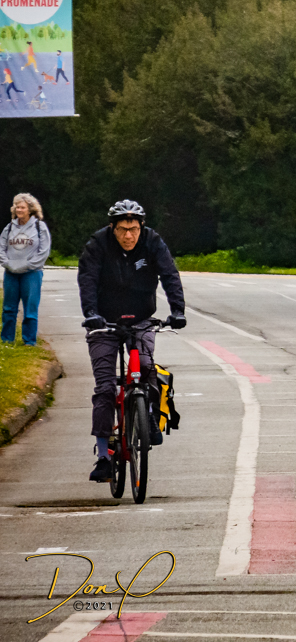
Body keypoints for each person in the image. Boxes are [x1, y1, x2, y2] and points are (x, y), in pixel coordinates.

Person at [78, 200, 185, 482]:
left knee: (146, 367)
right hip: (105, 322)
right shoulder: (97, 245)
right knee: (104, 388)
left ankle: (148, 414)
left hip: (141, 318)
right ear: (112, 228)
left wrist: (178, 311)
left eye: (134, 229)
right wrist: (91, 314)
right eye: (123, 229)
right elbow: (87, 280)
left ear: (141, 227)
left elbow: (169, 274)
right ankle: (104, 456)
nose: (129, 235)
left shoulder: (152, 242)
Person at [2, 193, 51, 346]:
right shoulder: (10, 227)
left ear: (30, 209)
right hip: (11, 274)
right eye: (17, 207)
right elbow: (1, 248)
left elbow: (44, 251)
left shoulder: (39, 227)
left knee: (30, 310)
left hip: (31, 274)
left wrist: (28, 265)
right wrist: (7, 264)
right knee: (8, 309)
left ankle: (29, 341)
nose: (19, 210)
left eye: (22, 207)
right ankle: (7, 339)